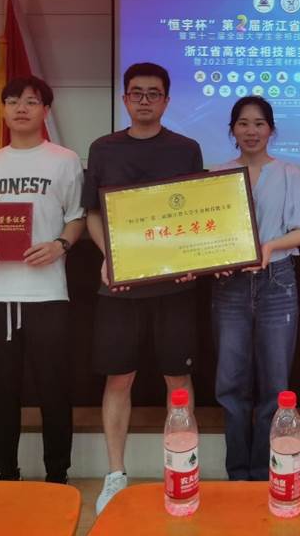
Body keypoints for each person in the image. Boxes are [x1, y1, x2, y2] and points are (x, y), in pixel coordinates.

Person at [84, 62, 204, 515]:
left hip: (173, 286)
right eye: (137, 93)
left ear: (167, 101)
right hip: (121, 286)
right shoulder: (103, 148)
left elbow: (196, 211)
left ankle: (181, 469)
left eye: (154, 93)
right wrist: (110, 256)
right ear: (124, 99)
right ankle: (116, 474)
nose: (145, 100)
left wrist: (193, 258)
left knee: (178, 380)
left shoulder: (185, 148)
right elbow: (93, 214)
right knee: (119, 378)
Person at [0, 76, 85, 484]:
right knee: (0, 390)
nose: (21, 108)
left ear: (45, 110)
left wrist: (59, 246)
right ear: (2, 110)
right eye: (12, 101)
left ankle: (57, 474)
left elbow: (76, 217)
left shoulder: (65, 160)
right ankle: (5, 471)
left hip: (48, 292)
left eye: (31, 102)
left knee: (55, 389)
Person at [210, 96, 300, 480]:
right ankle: (237, 473)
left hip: (277, 282)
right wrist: (217, 260)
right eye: (243, 123)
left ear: (271, 129)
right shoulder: (217, 175)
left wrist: (269, 246)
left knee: (275, 384)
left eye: (259, 123)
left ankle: (265, 473)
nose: (251, 131)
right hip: (230, 285)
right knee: (230, 383)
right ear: (232, 130)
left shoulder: (288, 173)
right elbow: (208, 237)